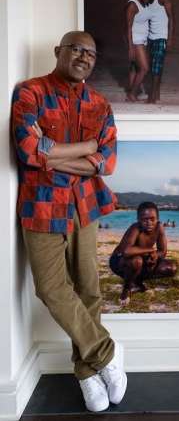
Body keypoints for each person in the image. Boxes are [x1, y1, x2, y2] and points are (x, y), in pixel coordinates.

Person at [11, 31, 127, 413]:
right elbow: (28, 151)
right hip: (40, 205)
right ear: (58, 51)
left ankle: (86, 371)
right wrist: (85, 149)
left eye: (91, 53)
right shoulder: (29, 92)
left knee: (88, 289)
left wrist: (54, 153)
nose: (83, 56)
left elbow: (106, 163)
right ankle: (108, 352)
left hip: (85, 206)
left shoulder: (100, 104)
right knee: (51, 288)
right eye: (76, 49)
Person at [109, 201, 178, 306]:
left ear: (158, 219)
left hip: (140, 259)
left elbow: (162, 251)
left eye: (152, 219)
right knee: (136, 261)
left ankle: (137, 281)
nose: (149, 222)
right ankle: (126, 290)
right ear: (138, 220)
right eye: (144, 219)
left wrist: (155, 256)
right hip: (119, 261)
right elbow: (126, 251)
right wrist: (150, 250)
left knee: (172, 267)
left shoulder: (159, 227)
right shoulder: (135, 228)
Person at [126, 0, 153, 102]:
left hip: (143, 39)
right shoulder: (132, 5)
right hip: (136, 40)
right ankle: (132, 93)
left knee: (135, 68)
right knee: (144, 68)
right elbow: (127, 27)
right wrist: (130, 47)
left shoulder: (145, 3)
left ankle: (132, 93)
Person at [147, 0, 174, 104]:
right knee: (154, 68)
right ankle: (156, 94)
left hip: (161, 38)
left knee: (156, 68)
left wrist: (170, 39)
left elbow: (171, 18)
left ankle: (152, 98)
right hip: (150, 38)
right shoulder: (147, 1)